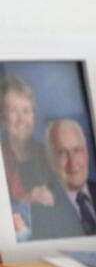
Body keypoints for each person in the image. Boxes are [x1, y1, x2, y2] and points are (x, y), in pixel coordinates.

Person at [31, 119, 96, 240]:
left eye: (77, 150)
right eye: (62, 153)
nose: (72, 162)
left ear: (86, 154)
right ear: (51, 160)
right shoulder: (42, 209)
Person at [1, 74, 55, 214]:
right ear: (3, 117)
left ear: (33, 114)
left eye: (26, 111)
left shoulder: (47, 153)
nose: (21, 119)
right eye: (13, 111)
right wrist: (24, 201)